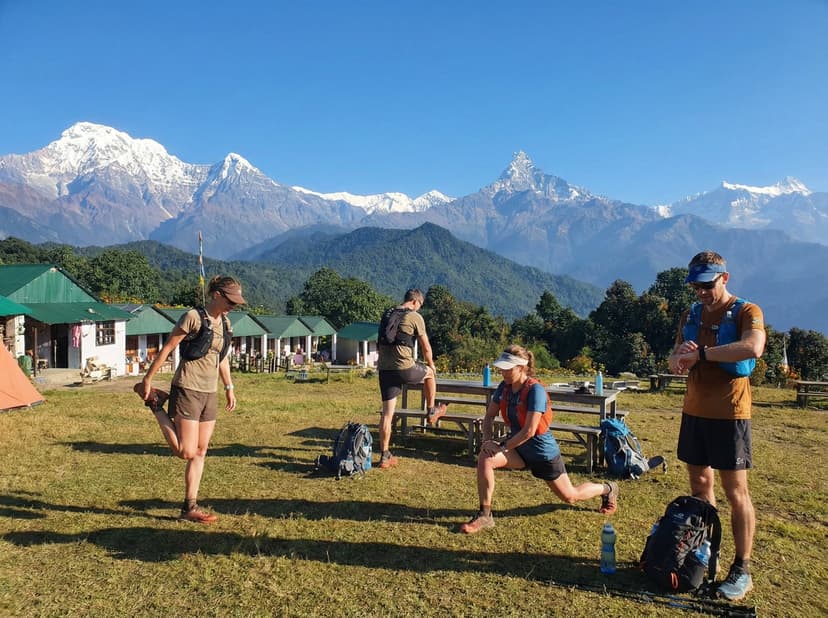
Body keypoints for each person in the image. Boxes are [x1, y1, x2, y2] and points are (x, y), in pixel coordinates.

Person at [668, 251, 765, 601]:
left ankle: (742, 568)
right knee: (699, 484)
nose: (701, 292)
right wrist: (680, 359)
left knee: (735, 491)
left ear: (725, 278)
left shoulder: (746, 312)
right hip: (694, 411)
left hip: (731, 414)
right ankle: (702, 550)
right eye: (695, 286)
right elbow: (676, 354)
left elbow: (753, 347)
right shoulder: (691, 313)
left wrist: (703, 354)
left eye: (707, 285)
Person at [460, 344, 618, 534]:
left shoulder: (536, 391)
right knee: (486, 457)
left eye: (507, 369)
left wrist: (501, 446)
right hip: (517, 449)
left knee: (570, 496)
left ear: (521, 367)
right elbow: (489, 416)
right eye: (501, 368)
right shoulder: (504, 387)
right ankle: (485, 515)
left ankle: (607, 489)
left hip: (542, 453)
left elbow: (529, 431)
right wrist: (487, 441)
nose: (502, 372)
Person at [137, 275, 244, 523]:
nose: (234, 305)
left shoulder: (226, 324)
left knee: (201, 451)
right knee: (186, 451)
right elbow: (168, 348)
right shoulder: (193, 317)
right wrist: (148, 380)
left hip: (210, 393)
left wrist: (229, 386)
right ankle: (155, 404)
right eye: (230, 300)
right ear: (216, 294)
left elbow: (222, 356)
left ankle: (189, 507)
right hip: (188, 388)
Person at [376, 288, 445, 469]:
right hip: (404, 367)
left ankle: (384, 455)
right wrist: (431, 364)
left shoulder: (388, 313)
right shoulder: (414, 316)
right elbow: (426, 347)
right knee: (429, 373)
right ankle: (431, 410)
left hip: (384, 369)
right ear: (415, 302)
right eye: (419, 306)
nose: (419, 309)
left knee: (387, 414)